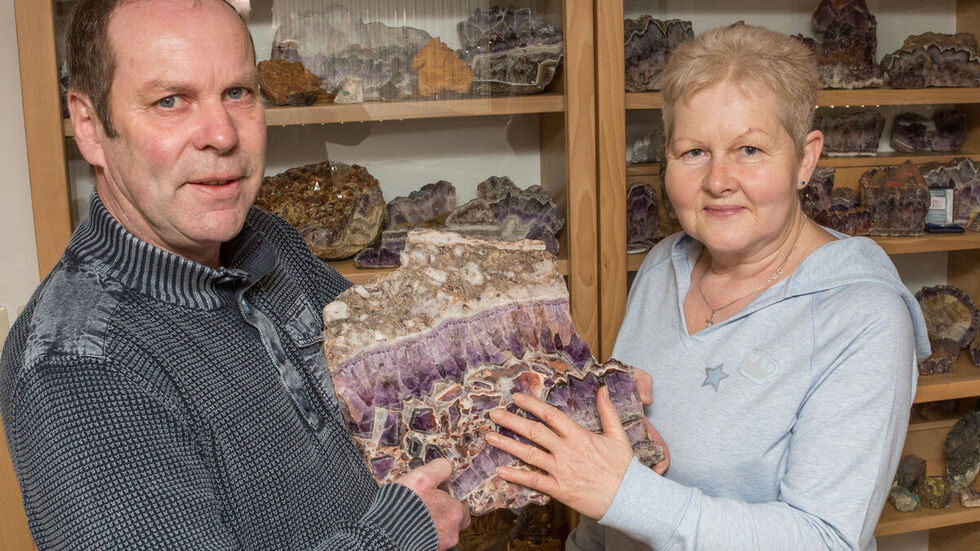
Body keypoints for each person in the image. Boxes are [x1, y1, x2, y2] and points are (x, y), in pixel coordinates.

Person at [0, 1, 468, 549]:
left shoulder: (261, 238)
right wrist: (401, 535)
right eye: (170, 101)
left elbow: (387, 365)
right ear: (90, 127)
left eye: (238, 93)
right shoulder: (80, 366)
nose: (221, 135)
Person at [486, 24, 930, 550]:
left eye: (749, 149)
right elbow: (610, 486)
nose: (718, 180)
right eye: (693, 151)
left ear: (806, 159)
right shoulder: (662, 267)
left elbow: (825, 539)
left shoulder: (863, 316)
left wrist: (623, 493)